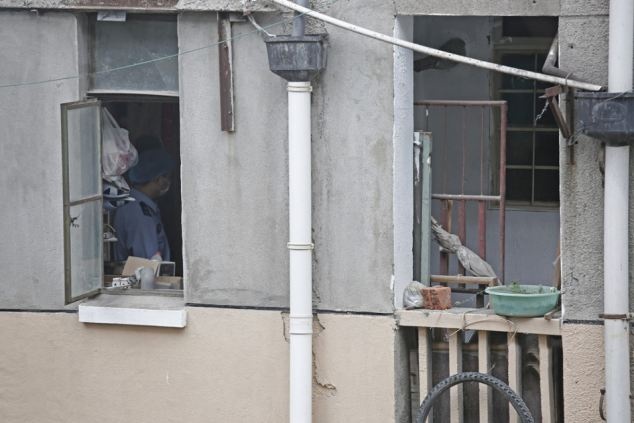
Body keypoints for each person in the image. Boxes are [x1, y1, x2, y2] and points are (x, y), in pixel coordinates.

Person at [113, 148, 174, 262]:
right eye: (167, 177)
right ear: (158, 179)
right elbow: (149, 263)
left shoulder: (139, 205)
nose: (168, 182)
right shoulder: (138, 212)